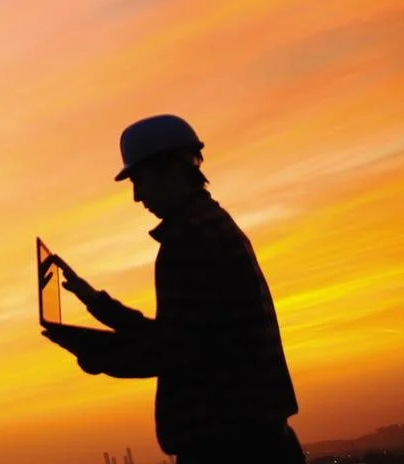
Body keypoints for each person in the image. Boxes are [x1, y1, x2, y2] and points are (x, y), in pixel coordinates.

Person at [41, 114, 304, 464]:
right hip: (252, 439)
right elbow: (180, 336)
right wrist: (94, 301)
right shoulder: (209, 227)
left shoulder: (189, 240)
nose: (136, 197)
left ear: (169, 169)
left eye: (139, 181)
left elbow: (172, 352)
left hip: (230, 446)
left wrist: (92, 352)